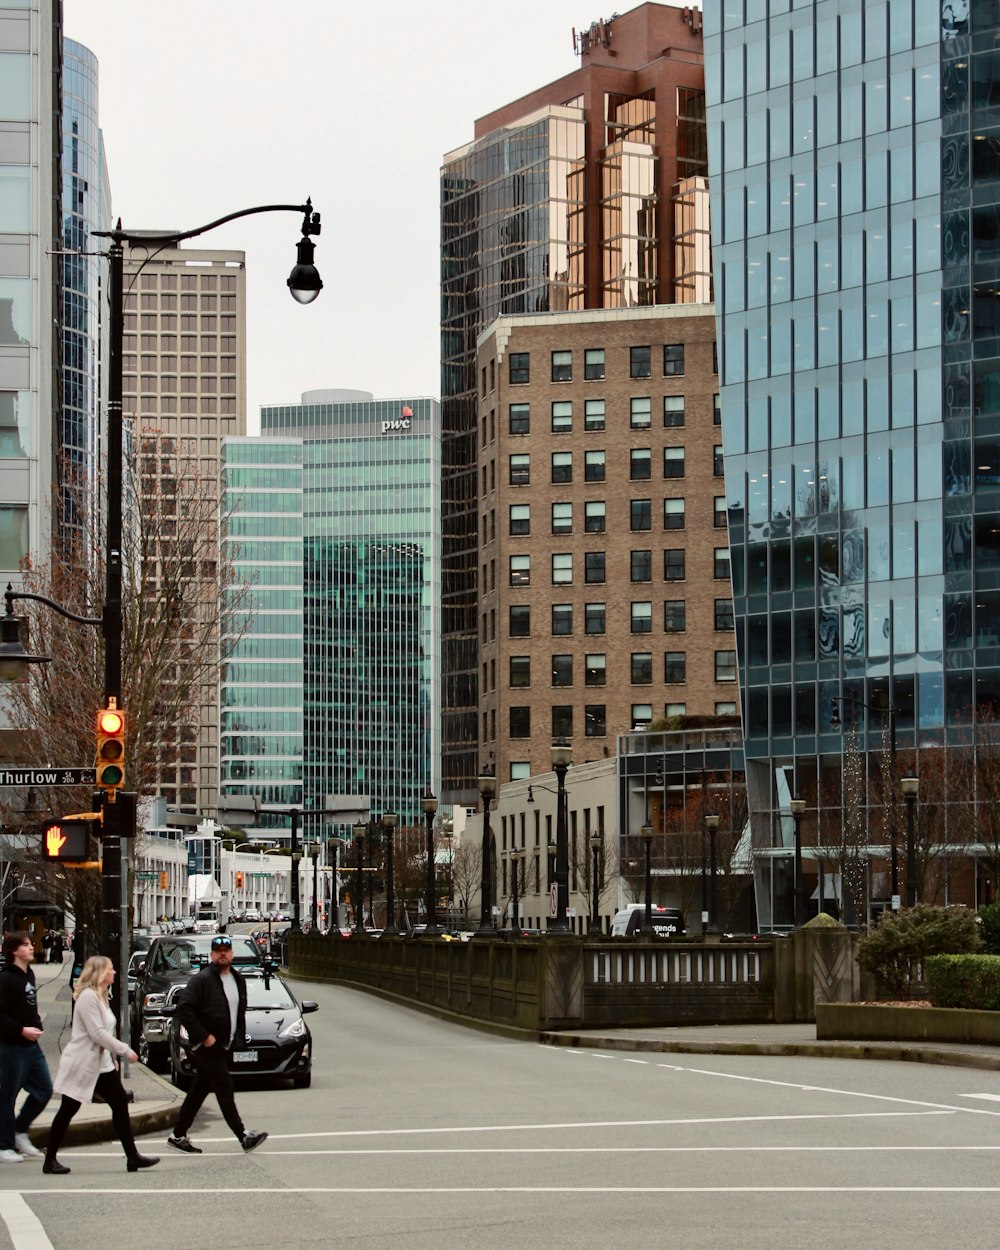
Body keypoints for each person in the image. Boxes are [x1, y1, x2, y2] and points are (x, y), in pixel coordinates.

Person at [43, 956, 159, 1175]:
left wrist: (112, 1059)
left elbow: (107, 1030)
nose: (115, 973)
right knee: (68, 1109)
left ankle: (132, 1156)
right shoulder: (87, 997)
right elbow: (97, 1033)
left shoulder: (103, 995)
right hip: (82, 1062)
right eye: (111, 969)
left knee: (119, 1104)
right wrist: (124, 1050)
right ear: (100, 973)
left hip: (100, 1063)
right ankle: (49, 1160)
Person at [167, 934, 266, 1155]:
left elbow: (238, 1012)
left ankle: (178, 1135)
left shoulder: (238, 980)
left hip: (224, 1045)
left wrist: (238, 1040)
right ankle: (243, 1136)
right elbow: (184, 1008)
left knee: (199, 1089)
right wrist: (204, 1036)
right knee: (224, 1088)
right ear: (212, 955)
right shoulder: (202, 980)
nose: (223, 954)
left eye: (226, 950)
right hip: (208, 1046)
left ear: (231, 953)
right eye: (218, 951)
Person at [0, 931, 53, 1163]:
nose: (31, 947)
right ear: (14, 951)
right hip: (12, 1046)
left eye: (31, 944)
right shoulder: (5, 979)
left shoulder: (28, 974)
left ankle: (20, 1131)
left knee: (44, 1089)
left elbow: (30, 1006)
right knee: (7, 1097)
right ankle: (4, 1145)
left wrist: (36, 1024)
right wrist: (22, 1030)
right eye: (26, 945)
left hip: (32, 1046)